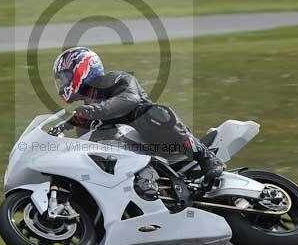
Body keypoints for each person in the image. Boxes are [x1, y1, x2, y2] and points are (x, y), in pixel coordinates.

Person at [48, 46, 224, 192]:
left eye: (65, 77)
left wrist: (88, 111)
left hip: (157, 141)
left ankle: (206, 157)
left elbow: (129, 99)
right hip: (128, 159)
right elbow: (84, 146)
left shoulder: (115, 79)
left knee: (156, 114)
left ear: (82, 67)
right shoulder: (86, 116)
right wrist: (59, 132)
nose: (62, 84)